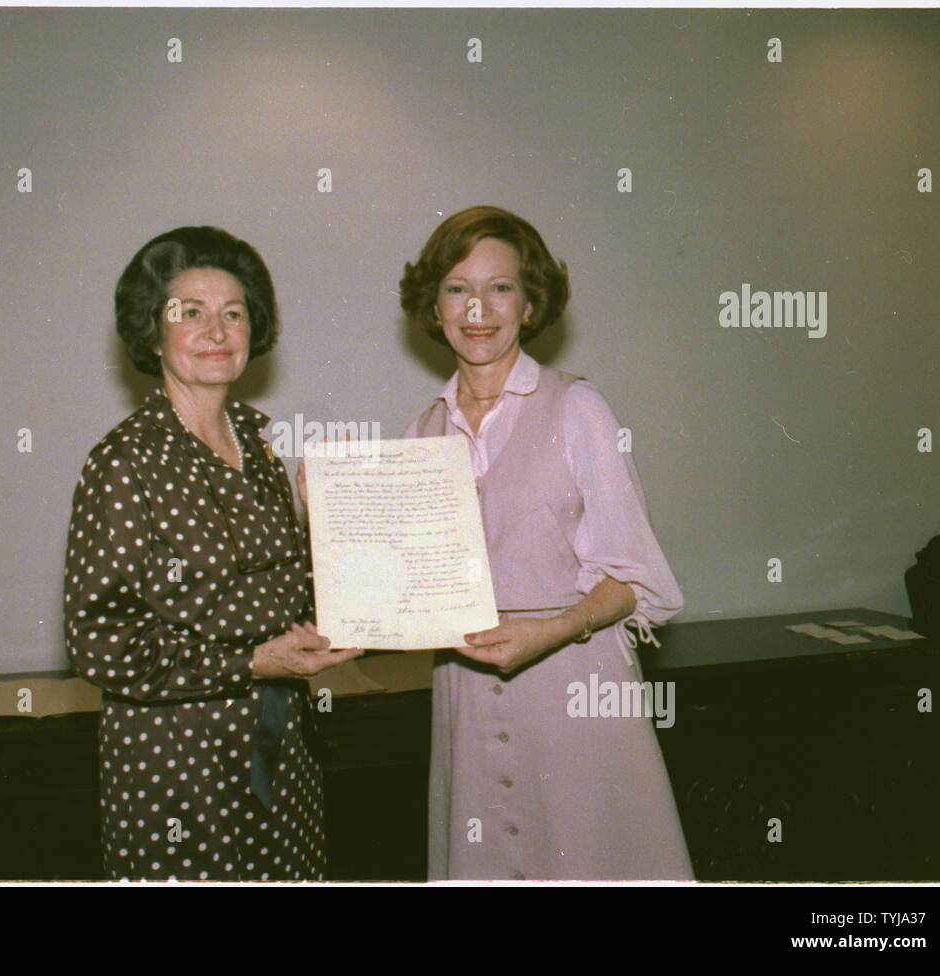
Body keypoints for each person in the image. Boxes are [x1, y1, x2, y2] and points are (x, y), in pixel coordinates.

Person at [399, 205, 693, 880]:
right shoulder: (422, 434)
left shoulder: (578, 409)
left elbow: (635, 579)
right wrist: (328, 515)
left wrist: (552, 630)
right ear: (434, 305)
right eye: (457, 288)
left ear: (531, 303)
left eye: (500, 287)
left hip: (573, 689)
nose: (479, 308)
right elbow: (407, 594)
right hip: (467, 697)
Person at [63, 225, 362, 881]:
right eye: (189, 313)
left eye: (233, 313)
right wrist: (252, 662)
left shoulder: (259, 447)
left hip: (283, 755)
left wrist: (330, 526)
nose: (216, 331)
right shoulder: (123, 462)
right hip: (179, 771)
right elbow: (98, 642)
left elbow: (282, 600)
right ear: (151, 330)